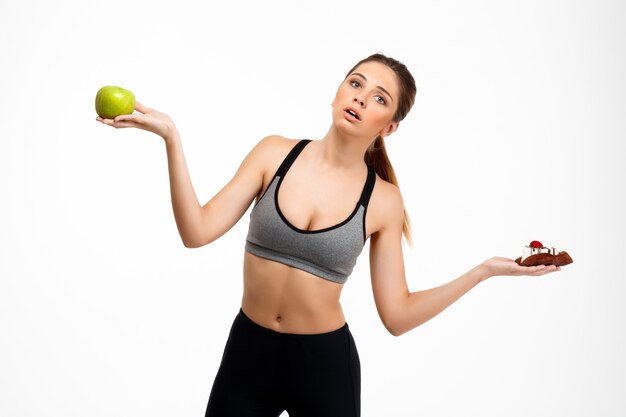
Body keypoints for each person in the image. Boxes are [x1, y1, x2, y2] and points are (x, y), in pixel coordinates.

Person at [97, 53, 560, 417]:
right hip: (249, 353)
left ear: (390, 126)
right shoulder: (274, 153)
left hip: (323, 366)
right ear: (337, 91)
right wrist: (171, 138)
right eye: (355, 83)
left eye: (379, 98)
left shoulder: (382, 201)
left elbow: (396, 316)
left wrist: (484, 271)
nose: (360, 98)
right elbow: (196, 232)